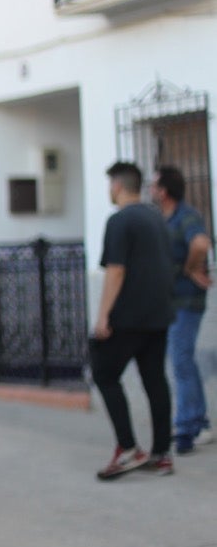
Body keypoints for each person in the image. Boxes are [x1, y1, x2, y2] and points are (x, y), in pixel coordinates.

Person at [90, 161, 175, 479]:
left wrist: (103, 316)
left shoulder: (119, 220)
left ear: (116, 186)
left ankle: (128, 448)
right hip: (158, 315)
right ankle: (162, 454)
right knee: (155, 380)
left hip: (127, 318)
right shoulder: (157, 218)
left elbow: (116, 270)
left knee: (104, 373)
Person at [151, 165, 212, 454]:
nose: (150, 190)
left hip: (186, 302)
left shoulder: (185, 215)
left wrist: (189, 269)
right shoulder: (163, 218)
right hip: (170, 301)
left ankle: (186, 428)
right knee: (184, 361)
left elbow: (201, 243)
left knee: (180, 361)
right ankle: (199, 422)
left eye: (154, 185)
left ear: (164, 191)